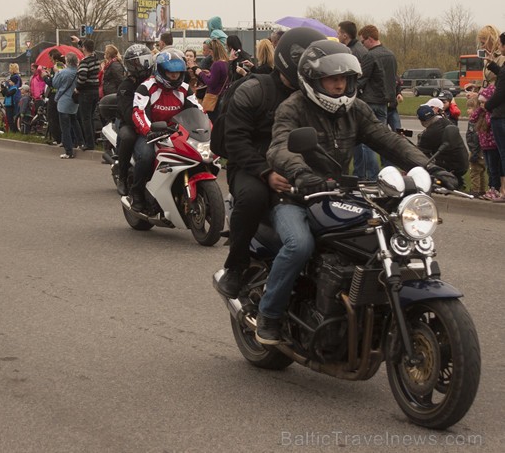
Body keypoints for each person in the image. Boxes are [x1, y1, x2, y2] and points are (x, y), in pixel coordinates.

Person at [260, 40, 456, 345]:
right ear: (313, 80)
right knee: (299, 245)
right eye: (332, 79)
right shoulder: (294, 107)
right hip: (295, 196)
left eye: (345, 79)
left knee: (384, 236)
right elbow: (280, 147)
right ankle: (269, 316)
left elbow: (388, 140)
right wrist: (302, 173)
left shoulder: (357, 109)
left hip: (337, 194)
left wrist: (430, 169)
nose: (340, 85)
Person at [215, 27, 327, 299]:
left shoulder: (315, 94)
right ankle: (236, 267)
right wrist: (265, 172)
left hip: (297, 165)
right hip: (251, 166)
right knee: (253, 197)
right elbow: (235, 142)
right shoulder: (254, 90)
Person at [130, 48, 201, 212]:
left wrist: (206, 127)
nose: (175, 76)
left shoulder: (184, 89)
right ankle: (137, 193)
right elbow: (138, 112)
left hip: (176, 133)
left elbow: (198, 110)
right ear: (162, 71)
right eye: (170, 72)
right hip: (150, 133)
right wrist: (148, 130)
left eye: (178, 72)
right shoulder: (146, 87)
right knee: (146, 157)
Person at [353, 25, 398, 179]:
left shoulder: (370, 56)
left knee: (367, 143)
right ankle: (387, 174)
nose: (362, 45)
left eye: (363, 42)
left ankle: (371, 176)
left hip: (370, 102)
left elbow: (361, 79)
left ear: (370, 39)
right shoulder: (391, 55)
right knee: (382, 141)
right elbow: (393, 80)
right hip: (384, 103)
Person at [114, 44, 154, 196]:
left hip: (151, 124)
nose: (142, 66)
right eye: (136, 62)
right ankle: (122, 177)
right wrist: (144, 123)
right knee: (128, 136)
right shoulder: (126, 86)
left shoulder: (155, 83)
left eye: (144, 60)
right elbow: (128, 114)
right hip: (131, 124)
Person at [416, 104, 468, 186]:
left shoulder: (428, 134)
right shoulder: (445, 121)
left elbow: (420, 154)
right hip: (462, 159)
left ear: (421, 121)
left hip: (448, 165)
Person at [483, 31, 505, 201]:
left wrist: (487, 106)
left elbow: (501, 91)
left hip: (500, 114)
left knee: (502, 153)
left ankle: (503, 190)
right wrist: (492, 65)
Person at [474, 85, 503, 200]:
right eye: (480, 102)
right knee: (489, 169)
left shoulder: (492, 114)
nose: (482, 105)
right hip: (485, 146)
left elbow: (489, 122)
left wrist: (487, 109)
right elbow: (472, 118)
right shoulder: (482, 113)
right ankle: (491, 188)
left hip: (493, 146)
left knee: (494, 169)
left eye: (484, 103)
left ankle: (494, 188)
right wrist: (480, 108)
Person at [53, 52, 82, 159]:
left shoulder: (63, 73)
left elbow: (55, 84)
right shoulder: (78, 72)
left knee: (65, 127)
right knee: (75, 122)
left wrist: (56, 72)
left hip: (64, 102)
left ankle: (68, 151)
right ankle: (80, 143)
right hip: (74, 101)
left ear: (67, 61)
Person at [192, 39, 229, 124]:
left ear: (213, 51)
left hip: (213, 98)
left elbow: (211, 83)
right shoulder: (225, 63)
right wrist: (209, 74)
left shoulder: (216, 64)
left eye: (210, 51)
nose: (210, 54)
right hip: (222, 96)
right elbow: (220, 79)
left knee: (210, 122)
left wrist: (201, 73)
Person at [75, 38, 100, 150]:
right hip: (95, 91)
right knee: (91, 117)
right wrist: (79, 41)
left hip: (85, 92)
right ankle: (92, 141)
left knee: (85, 118)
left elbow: (82, 77)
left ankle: (89, 143)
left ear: (84, 48)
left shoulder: (84, 62)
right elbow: (89, 50)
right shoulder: (95, 59)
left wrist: (77, 88)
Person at [465, 95, 487, 198]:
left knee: (475, 171)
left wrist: (474, 153)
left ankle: (475, 190)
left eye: (469, 108)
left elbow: (475, 138)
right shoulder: (477, 121)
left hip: (476, 150)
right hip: (479, 150)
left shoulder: (475, 123)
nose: (467, 111)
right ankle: (482, 190)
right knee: (481, 170)